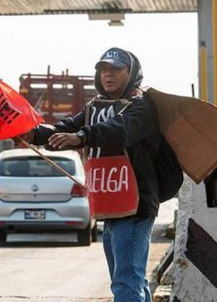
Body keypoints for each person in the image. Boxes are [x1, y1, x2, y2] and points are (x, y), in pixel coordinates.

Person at [24, 48, 160, 302]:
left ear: (131, 73)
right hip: (110, 204)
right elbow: (65, 128)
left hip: (135, 204)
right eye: (104, 70)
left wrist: (82, 136)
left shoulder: (140, 105)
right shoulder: (94, 106)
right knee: (131, 280)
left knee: (126, 283)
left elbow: (118, 130)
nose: (108, 75)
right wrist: (34, 134)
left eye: (116, 70)